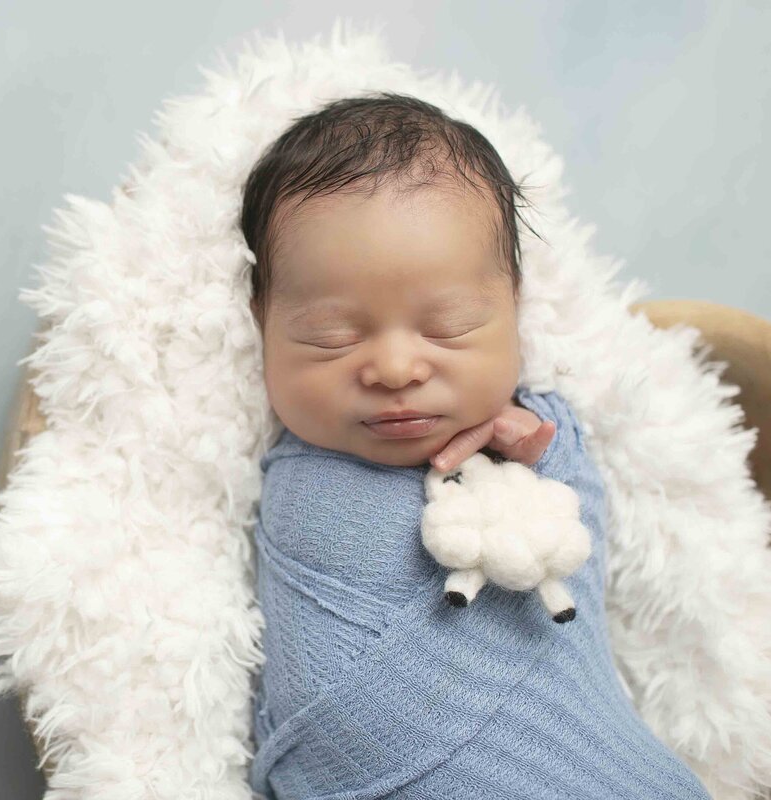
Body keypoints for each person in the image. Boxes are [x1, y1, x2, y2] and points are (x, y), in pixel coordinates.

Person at [240, 93, 711, 799]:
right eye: (332, 335)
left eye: (452, 326)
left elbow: (574, 564)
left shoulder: (543, 446)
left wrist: (547, 456)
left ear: (515, 306)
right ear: (261, 322)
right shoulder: (289, 482)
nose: (396, 369)